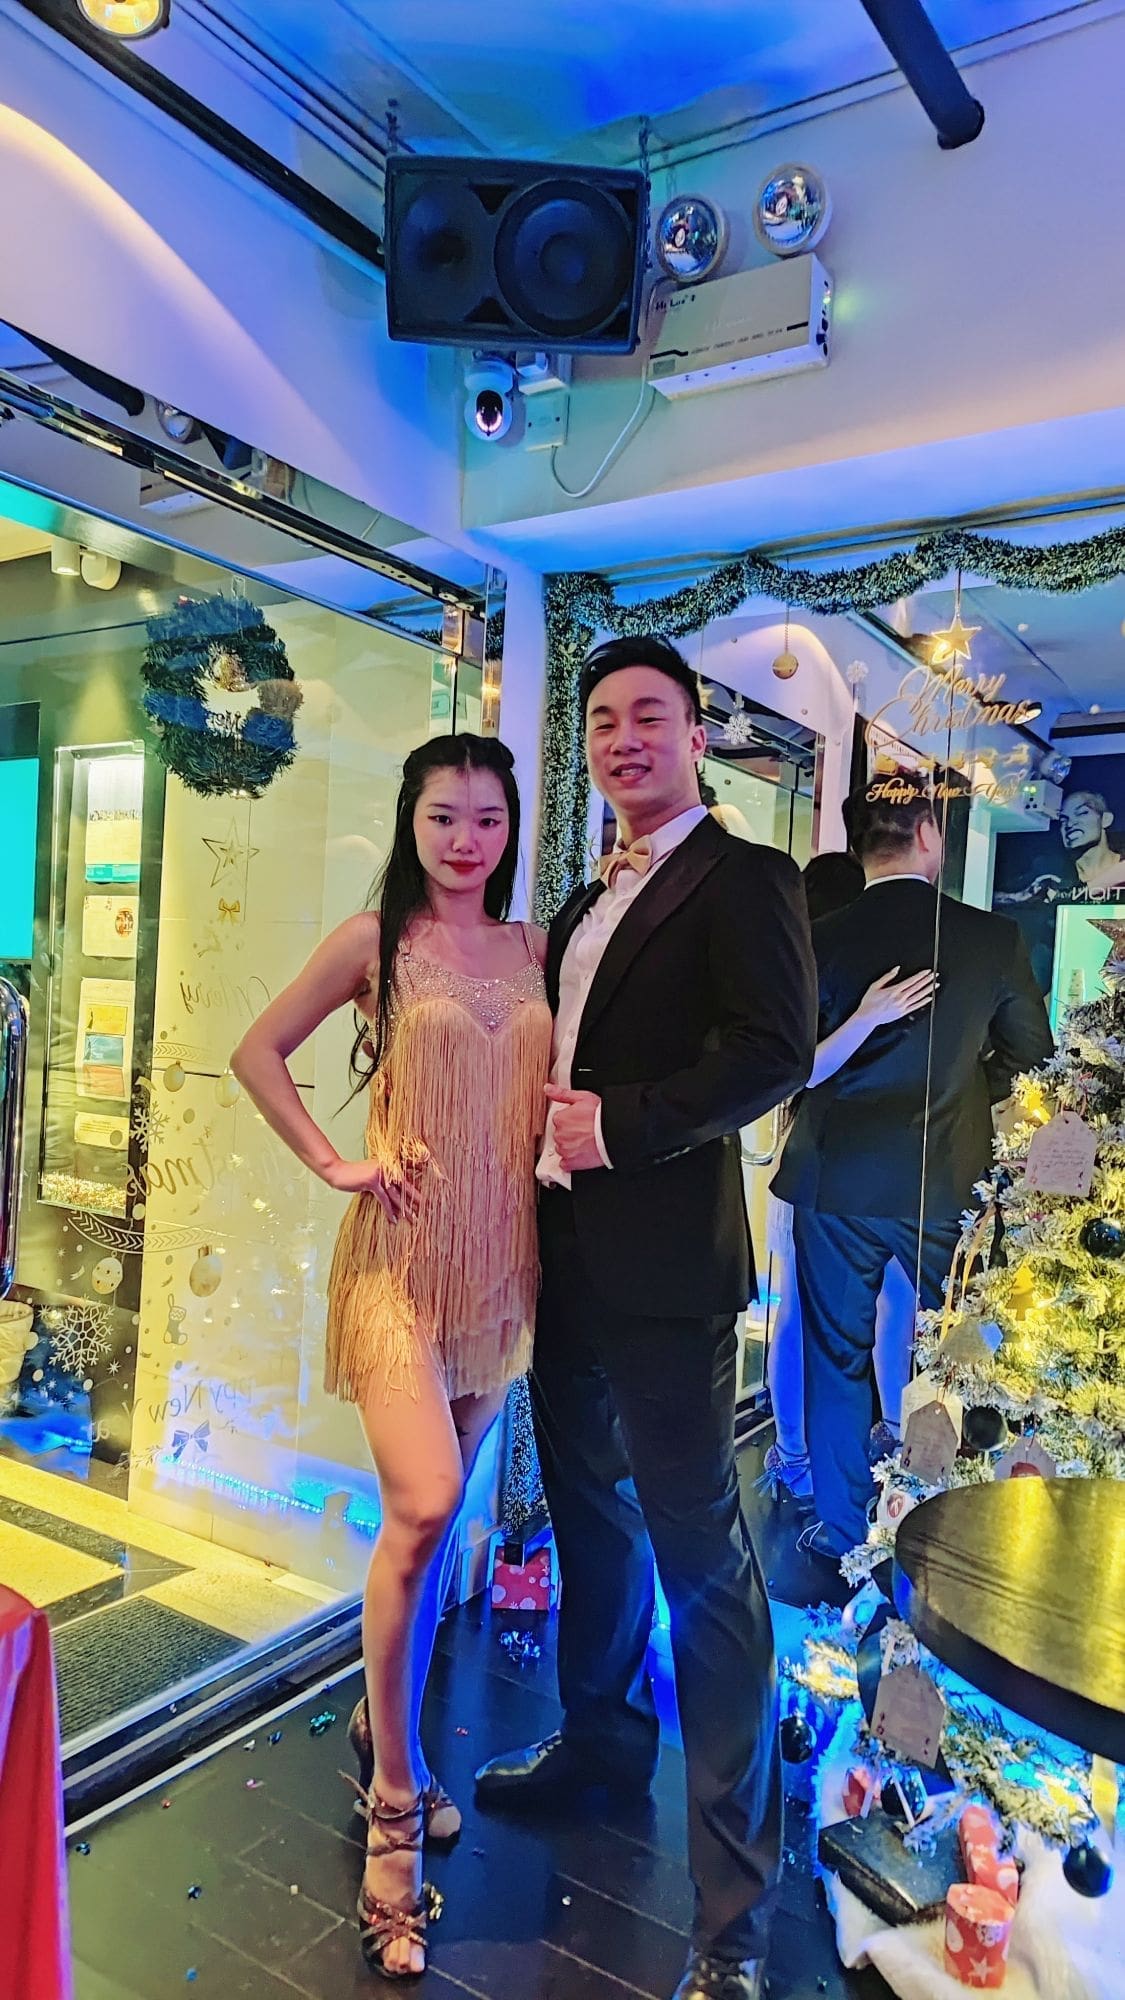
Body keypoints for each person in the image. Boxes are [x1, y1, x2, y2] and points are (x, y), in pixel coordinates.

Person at [474, 636, 818, 2000]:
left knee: (703, 1566)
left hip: (671, 1271)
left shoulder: (746, 877)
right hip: (562, 1257)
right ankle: (600, 1747)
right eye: (604, 720)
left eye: (649, 718)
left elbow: (773, 1050)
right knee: (593, 1524)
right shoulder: (581, 898)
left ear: (696, 734)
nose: (623, 739)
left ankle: (734, 1915)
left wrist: (622, 1126)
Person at [231, 734, 551, 1981]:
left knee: (433, 1530)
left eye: (486, 818)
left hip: (500, 1272)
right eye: (442, 816)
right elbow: (258, 1050)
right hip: (397, 1264)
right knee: (421, 1501)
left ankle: (381, 1719)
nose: (465, 840)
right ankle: (397, 1807)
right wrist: (334, 1161)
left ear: (510, 828)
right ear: (411, 821)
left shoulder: (536, 949)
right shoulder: (377, 943)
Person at [773, 779, 1054, 1560]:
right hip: (943, 1178)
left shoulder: (814, 939)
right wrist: (964, 1090)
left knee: (834, 1358)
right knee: (963, 1355)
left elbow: (783, 1061)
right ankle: (955, 1531)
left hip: (832, 1179)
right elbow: (1032, 1056)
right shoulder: (989, 939)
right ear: (928, 835)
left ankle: (842, 1533)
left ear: (856, 843)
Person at [762, 850, 931, 1504]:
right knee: (878, 1305)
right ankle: (827, 1450)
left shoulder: (807, 964)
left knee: (807, 1313)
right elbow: (800, 1070)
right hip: (846, 1161)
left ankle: (802, 1453)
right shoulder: (825, 969)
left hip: (823, 1158)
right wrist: (866, 1017)